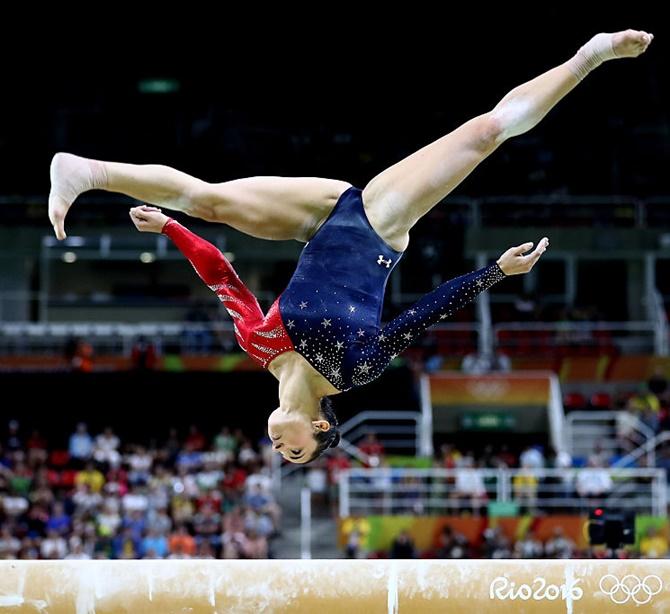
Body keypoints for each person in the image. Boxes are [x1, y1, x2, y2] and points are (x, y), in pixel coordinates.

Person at [48, 30, 653, 465]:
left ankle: (85, 170)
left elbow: (222, 279)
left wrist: (171, 231)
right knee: (488, 132)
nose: (281, 448)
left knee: (204, 203)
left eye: (283, 454)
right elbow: (422, 315)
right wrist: (495, 271)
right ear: (318, 425)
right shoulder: (353, 371)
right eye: (297, 450)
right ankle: (588, 57)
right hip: (373, 221)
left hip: (318, 218)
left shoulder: (260, 345)